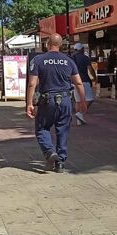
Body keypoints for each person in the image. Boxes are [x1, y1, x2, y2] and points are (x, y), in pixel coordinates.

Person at [26, 34, 87, 173]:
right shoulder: (69, 61)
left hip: (47, 100)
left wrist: (29, 103)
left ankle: (49, 151)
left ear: (47, 44)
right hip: (65, 99)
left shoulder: (38, 60)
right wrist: (81, 101)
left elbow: (32, 84)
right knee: (62, 130)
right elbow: (78, 82)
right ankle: (60, 162)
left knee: (42, 128)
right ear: (60, 45)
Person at [72, 43, 97, 125]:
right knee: (89, 99)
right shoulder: (85, 58)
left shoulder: (72, 58)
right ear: (81, 49)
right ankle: (80, 114)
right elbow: (90, 69)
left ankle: (79, 121)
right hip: (84, 81)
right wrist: (94, 77)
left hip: (74, 81)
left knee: (78, 101)